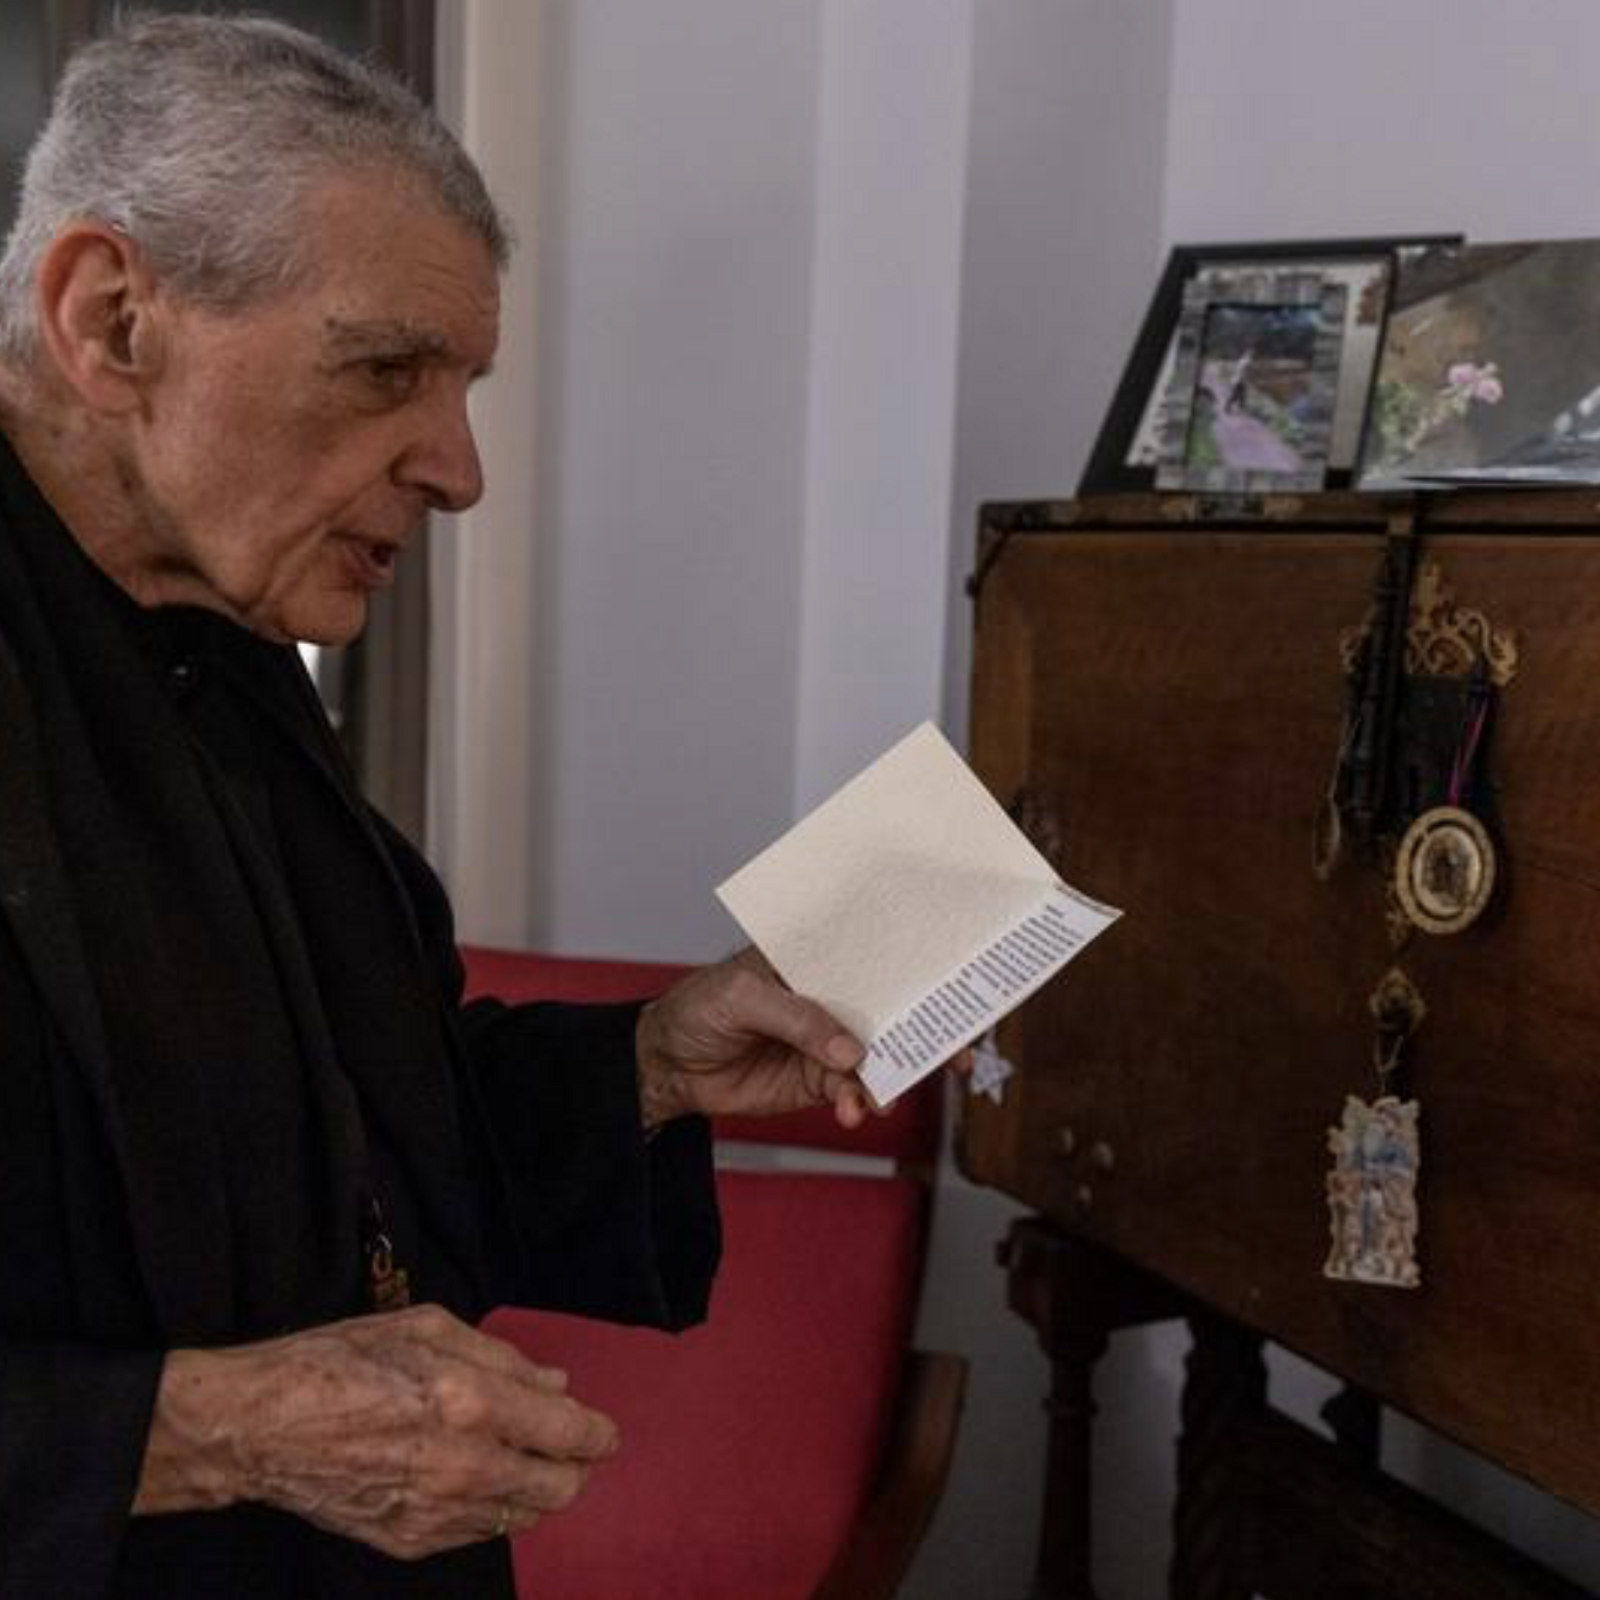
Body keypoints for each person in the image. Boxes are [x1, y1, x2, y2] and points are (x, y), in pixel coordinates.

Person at [0, 16, 905, 1599]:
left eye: (464, 382)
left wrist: (642, 1064)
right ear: (112, 319)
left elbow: (337, 1119)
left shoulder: (227, 625)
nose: (462, 468)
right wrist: (211, 1433)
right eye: (387, 371)